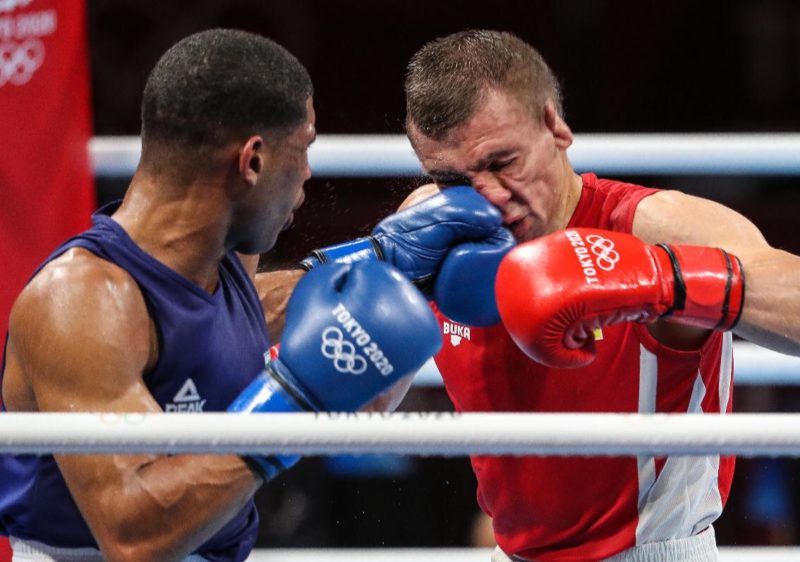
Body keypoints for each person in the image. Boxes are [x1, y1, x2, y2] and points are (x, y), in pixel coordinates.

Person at [0, 28, 503, 562]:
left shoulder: (222, 263)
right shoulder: (80, 302)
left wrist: (383, 260)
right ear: (253, 161)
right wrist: (293, 402)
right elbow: (135, 535)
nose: (309, 174)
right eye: (304, 149)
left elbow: (217, 318)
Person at [399, 29, 800, 562]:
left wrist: (665, 280)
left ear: (554, 126)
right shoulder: (428, 230)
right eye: (452, 179)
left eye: (502, 163)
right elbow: (362, 391)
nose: (487, 199)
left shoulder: (650, 225)